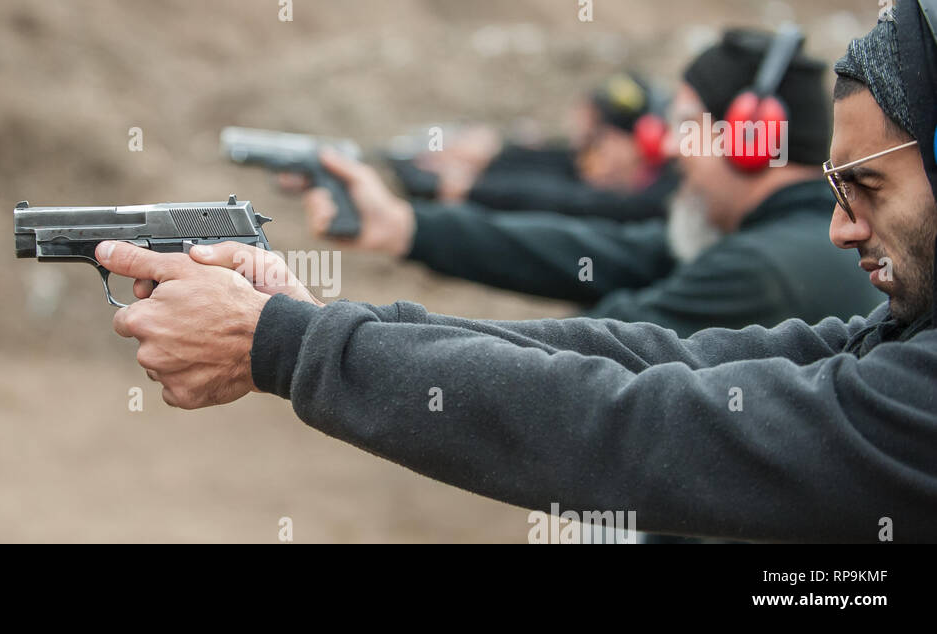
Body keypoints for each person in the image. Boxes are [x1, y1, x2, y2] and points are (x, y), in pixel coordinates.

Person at [91, 2, 937, 542]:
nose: (841, 226)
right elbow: (633, 353)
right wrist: (312, 322)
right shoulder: (896, 331)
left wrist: (289, 345)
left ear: (753, 138)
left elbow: (625, 421)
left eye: (865, 185)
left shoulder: (831, 311)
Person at [308, 29, 882, 338]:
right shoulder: (778, 240)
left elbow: (575, 351)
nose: (676, 151)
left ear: (752, 137)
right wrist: (404, 226)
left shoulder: (764, 270)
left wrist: (318, 336)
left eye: (687, 128)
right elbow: (587, 251)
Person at [392, 72, 681, 222]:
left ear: (637, 145)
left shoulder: (652, 202)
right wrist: (493, 157)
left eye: (595, 145)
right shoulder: (638, 172)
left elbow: (568, 200)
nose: (584, 159)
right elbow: (560, 166)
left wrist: (470, 188)